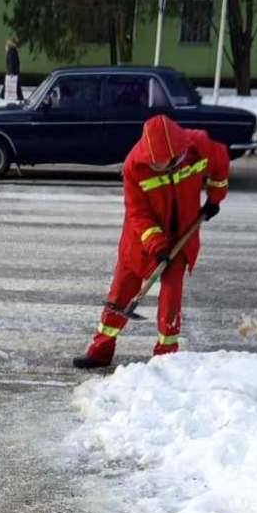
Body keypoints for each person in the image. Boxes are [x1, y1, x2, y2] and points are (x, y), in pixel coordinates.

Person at [73, 114, 229, 369]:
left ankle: (166, 357)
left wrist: (214, 198)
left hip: (182, 236)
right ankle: (100, 350)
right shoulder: (135, 165)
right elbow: (138, 213)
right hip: (140, 239)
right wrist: (156, 245)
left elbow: (221, 163)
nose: (157, 165)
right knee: (121, 293)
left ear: (177, 152)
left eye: (162, 162)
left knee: (171, 299)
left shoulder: (198, 146)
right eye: (153, 162)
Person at [3, 37, 21, 101]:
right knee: (16, 83)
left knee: (12, 83)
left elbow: (11, 62)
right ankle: (20, 96)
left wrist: (11, 71)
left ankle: (2, 94)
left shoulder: (11, 51)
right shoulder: (13, 50)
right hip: (14, 70)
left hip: (12, 70)